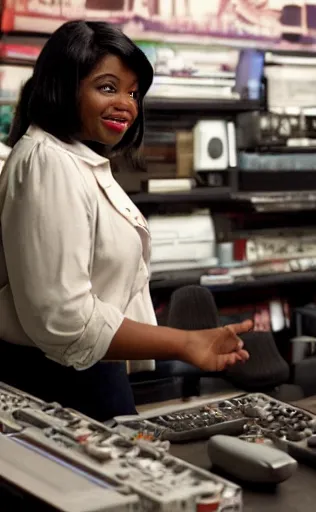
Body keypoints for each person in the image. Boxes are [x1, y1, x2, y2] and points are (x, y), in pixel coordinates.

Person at [0, 20, 251, 421]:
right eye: (108, 87)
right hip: (59, 387)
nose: (127, 104)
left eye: (133, 92)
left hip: (89, 375)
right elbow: (66, 321)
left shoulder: (76, 158)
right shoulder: (48, 162)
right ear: (64, 86)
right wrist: (184, 343)